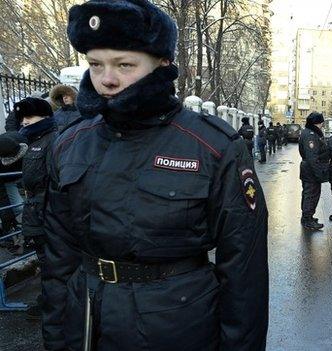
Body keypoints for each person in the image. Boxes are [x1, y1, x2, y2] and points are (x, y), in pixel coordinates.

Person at [43, 1, 269, 350]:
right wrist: (57, 336)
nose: (107, 79)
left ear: (163, 62)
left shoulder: (212, 146)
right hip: (86, 321)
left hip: (177, 325)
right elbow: (59, 258)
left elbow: (244, 270)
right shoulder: (71, 143)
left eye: (125, 64)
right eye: (95, 64)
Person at [12, 97, 57, 319]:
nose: (25, 122)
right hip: (36, 211)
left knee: (52, 262)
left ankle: (53, 304)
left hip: (47, 212)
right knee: (45, 259)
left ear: (45, 117)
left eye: (30, 117)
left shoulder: (53, 139)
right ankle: (50, 300)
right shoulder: (29, 140)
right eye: (22, 118)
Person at [299, 112, 329, 230]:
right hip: (311, 171)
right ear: (318, 123)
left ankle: (307, 217)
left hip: (309, 170)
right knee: (311, 195)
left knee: (308, 194)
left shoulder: (309, 132)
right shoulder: (311, 135)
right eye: (321, 122)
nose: (322, 125)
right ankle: (307, 219)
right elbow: (312, 157)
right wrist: (319, 174)